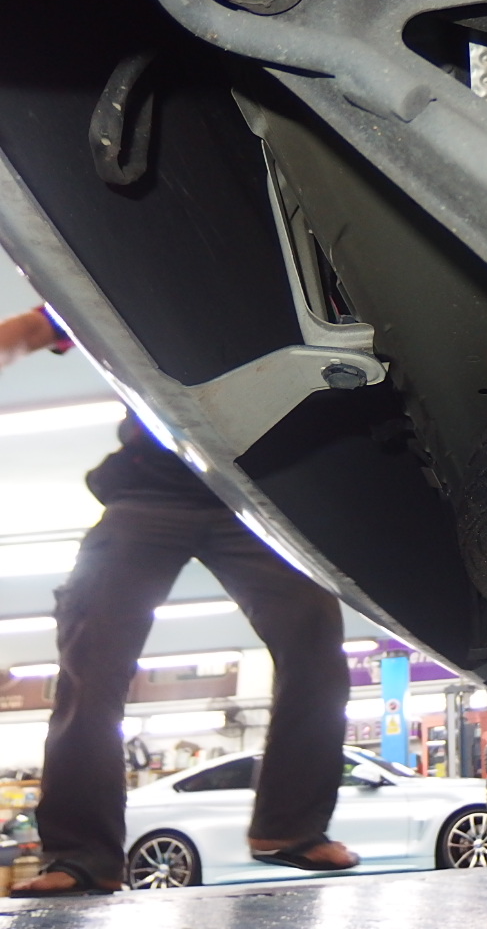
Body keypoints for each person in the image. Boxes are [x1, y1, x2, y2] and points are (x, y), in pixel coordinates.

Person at [1, 306, 359, 897]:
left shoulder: (303, 291)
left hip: (257, 495)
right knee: (92, 666)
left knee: (315, 640)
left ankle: (291, 829)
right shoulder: (147, 278)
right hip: (149, 492)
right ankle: (83, 857)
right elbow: (39, 326)